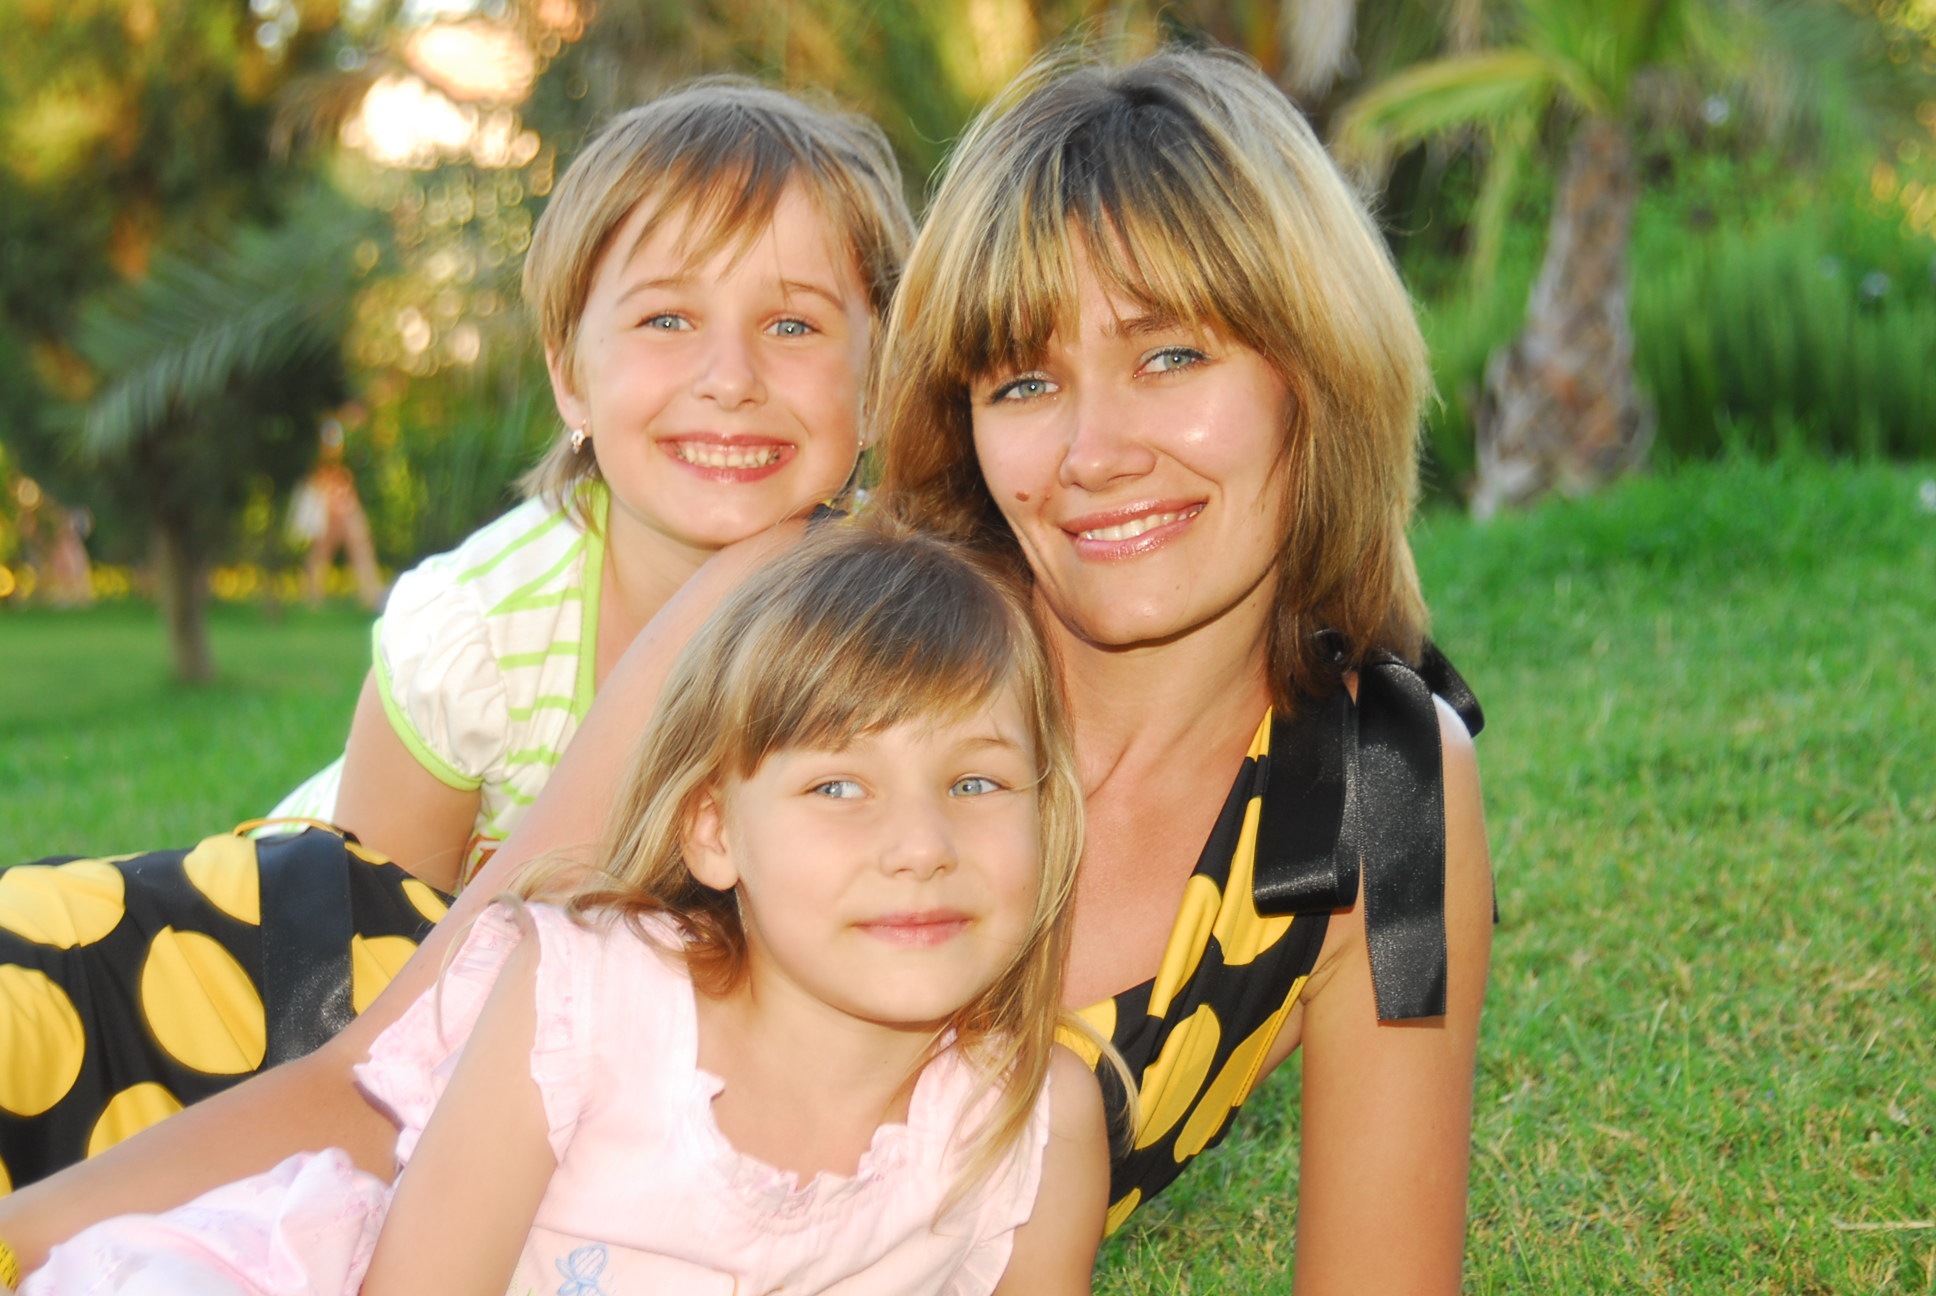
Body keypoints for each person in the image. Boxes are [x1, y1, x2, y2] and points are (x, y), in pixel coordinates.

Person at [1, 46, 1490, 1294]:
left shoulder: (1382, 799)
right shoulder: (802, 616)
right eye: (1027, 380)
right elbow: (379, 1085)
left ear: (1316, 366)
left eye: (1173, 357)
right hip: (251, 1035)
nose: (1096, 451)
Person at [0, 78, 911, 1191]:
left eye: (793, 324)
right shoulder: (480, 632)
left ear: (877, 380)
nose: (730, 378)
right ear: (570, 375)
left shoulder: (918, 636)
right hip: (302, 993)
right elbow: (350, 963)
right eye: (667, 319)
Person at [14, 527, 1112, 1296]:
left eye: (976, 782)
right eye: (837, 787)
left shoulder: (1032, 1123)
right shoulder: (588, 1004)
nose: (921, 845)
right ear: (714, 831)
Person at [290, 409, 384, 611]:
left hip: (340, 505)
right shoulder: (326, 442)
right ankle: (315, 596)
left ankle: (369, 594)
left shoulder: (344, 440)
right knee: (323, 552)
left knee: (355, 546)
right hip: (328, 505)